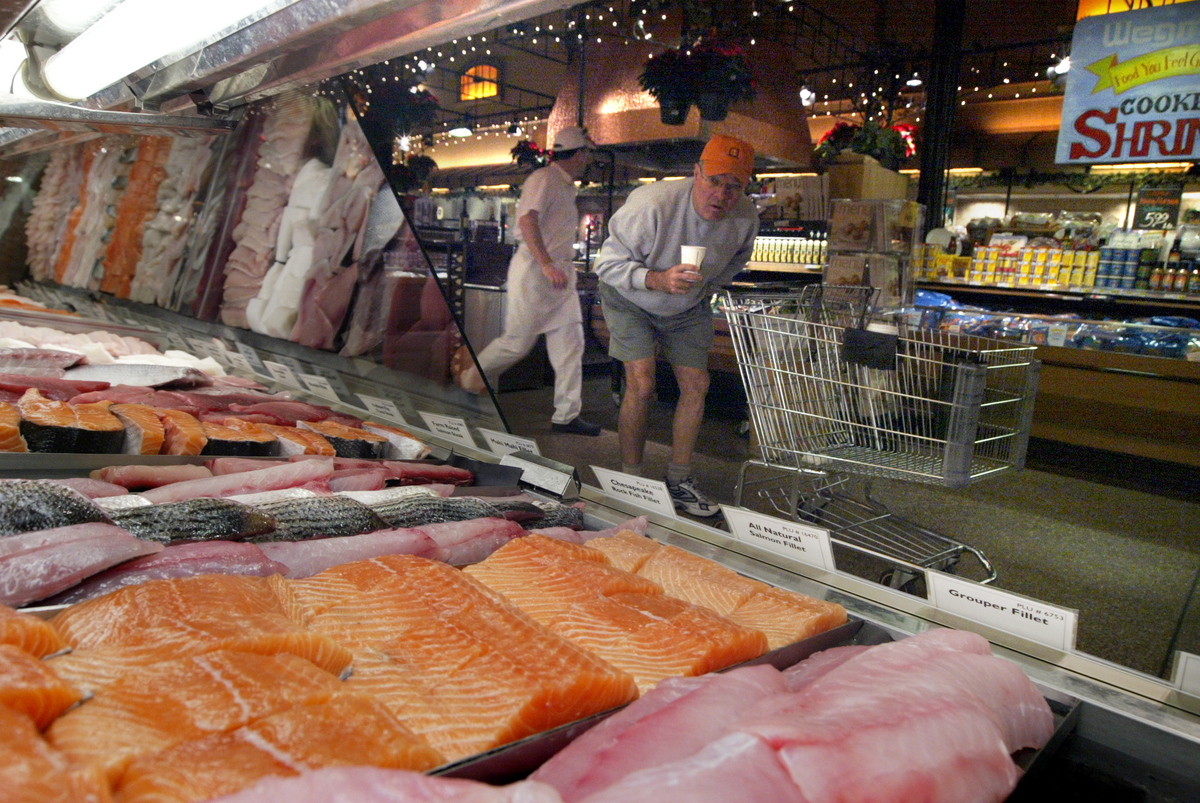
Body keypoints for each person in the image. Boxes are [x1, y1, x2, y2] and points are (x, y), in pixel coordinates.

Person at [592, 134, 758, 516]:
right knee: (642, 380)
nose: (722, 194)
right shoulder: (654, 204)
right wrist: (659, 279)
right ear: (696, 172)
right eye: (714, 180)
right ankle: (631, 479)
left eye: (734, 186)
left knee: (697, 384)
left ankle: (679, 480)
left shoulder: (746, 216)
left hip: (688, 304)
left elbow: (737, 259)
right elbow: (607, 265)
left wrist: (709, 286)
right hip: (630, 296)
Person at [453, 126, 601, 436]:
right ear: (577, 153)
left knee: (571, 342)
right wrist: (546, 264)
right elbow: (527, 219)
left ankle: (567, 415)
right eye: (587, 151)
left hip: (559, 274)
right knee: (517, 343)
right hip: (536, 270)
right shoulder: (544, 179)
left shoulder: (564, 184)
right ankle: (468, 382)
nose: (590, 157)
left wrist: (555, 266)